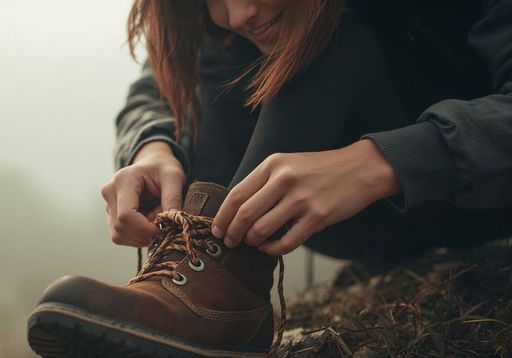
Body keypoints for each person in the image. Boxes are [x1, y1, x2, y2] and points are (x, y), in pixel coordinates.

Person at [27, 0, 512, 357]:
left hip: (484, 197)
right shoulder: (226, 24)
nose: (238, 13)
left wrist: (384, 162)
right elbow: (155, 85)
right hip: (371, 230)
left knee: (327, 30)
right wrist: (152, 146)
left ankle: (219, 291)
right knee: (210, 71)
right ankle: (208, 285)